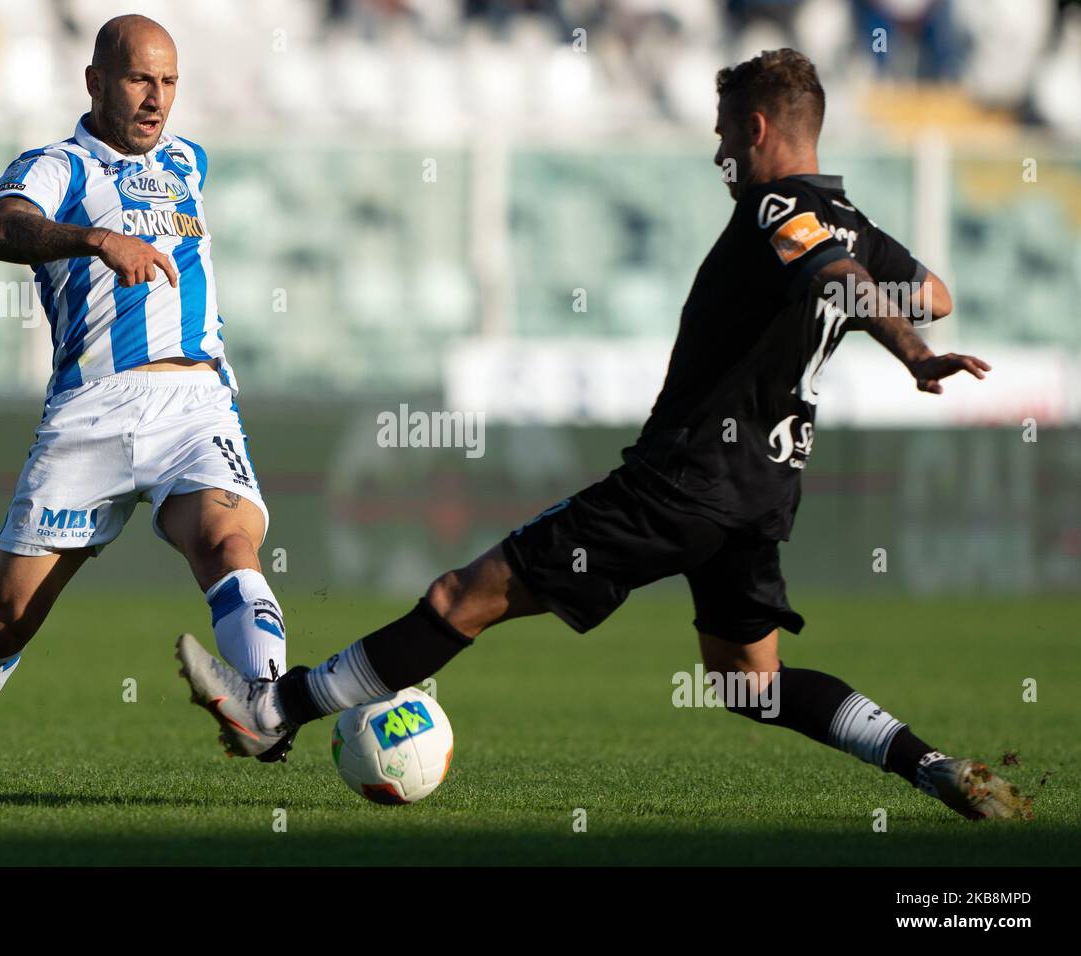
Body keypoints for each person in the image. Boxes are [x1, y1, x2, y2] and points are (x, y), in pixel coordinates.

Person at [177, 49, 1031, 821]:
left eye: (724, 132)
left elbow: (833, 274)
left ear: (759, 129)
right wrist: (894, 306)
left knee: (459, 598)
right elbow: (936, 290)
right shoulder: (851, 219)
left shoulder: (779, 205)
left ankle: (274, 709)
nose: (717, 153)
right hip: (762, 493)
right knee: (749, 683)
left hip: (684, 478)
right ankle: (932, 766)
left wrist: (910, 352)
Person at [0, 14, 295, 786]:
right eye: (140, 79)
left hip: (194, 401)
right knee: (8, 618)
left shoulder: (188, 161)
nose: (157, 99)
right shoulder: (57, 166)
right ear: (96, 82)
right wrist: (92, 240)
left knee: (228, 542)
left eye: (170, 82)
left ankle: (269, 710)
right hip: (92, 410)